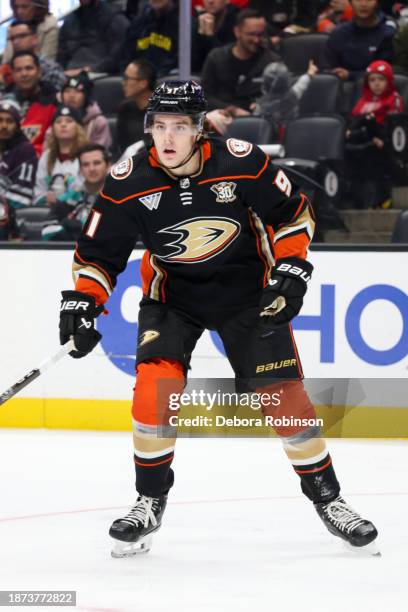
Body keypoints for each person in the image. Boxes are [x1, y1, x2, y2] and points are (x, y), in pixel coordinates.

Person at [58, 80, 378, 557]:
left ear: (200, 130)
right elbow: (98, 255)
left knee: (284, 399)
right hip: (173, 297)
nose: (167, 138)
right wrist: (83, 301)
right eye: (158, 126)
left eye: (179, 127)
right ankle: (149, 501)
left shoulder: (241, 160)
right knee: (153, 389)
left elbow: (293, 215)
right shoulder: (128, 179)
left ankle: (330, 501)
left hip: (247, 295)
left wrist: (292, 266)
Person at [345, 59, 403, 207]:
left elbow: (395, 126)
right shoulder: (363, 101)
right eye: (372, 80)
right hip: (364, 142)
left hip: (384, 144)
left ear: (389, 81)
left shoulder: (394, 99)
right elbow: (354, 121)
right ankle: (354, 197)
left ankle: (380, 199)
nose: (376, 83)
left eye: (381, 79)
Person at [201, 9, 280, 114]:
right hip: (221, 116)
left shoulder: (272, 62)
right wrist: (231, 110)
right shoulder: (216, 58)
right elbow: (204, 96)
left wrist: (264, 105)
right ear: (237, 32)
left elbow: (280, 96)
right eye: (251, 34)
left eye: (260, 35)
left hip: (258, 119)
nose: (256, 40)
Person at [42, 143, 110, 240]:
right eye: (86, 165)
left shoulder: (119, 198)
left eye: (97, 163)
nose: (91, 169)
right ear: (80, 170)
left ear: (107, 166)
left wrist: (80, 228)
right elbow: (46, 232)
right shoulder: (68, 198)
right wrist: (66, 228)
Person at [323, 0, 396, 80]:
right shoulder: (339, 33)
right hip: (340, 87)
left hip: (374, 88)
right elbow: (326, 69)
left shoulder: (387, 35)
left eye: (369, 0)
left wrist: (351, 75)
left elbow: (385, 72)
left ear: (377, 3)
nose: (363, 4)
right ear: (350, 2)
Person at [5, 50, 57, 157]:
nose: (24, 74)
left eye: (29, 68)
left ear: (39, 72)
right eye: (18, 70)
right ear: (13, 74)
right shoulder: (3, 102)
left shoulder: (55, 102)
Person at [33, 105, 87, 206]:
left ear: (78, 127)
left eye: (69, 121)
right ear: (52, 129)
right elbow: (38, 189)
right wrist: (45, 198)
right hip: (49, 211)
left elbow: (86, 188)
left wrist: (61, 200)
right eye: (58, 122)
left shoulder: (86, 154)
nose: (63, 125)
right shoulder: (47, 156)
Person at [57, 0, 129, 75]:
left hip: (100, 74)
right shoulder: (70, 20)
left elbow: (117, 56)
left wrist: (91, 70)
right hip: (70, 72)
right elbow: (62, 55)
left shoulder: (114, 18)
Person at [0, 97, 37, 239]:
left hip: (9, 218)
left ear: (17, 125)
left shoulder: (25, 149)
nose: (4, 126)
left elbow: (22, 198)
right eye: (0, 120)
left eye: (9, 121)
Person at [253, 59, 318, 140]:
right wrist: (310, 72)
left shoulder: (260, 105)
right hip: (292, 137)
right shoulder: (293, 96)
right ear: (287, 82)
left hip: (271, 139)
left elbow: (255, 125)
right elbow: (303, 82)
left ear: (264, 84)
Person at [118, 0, 179, 77]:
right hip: (137, 80)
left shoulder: (184, 26)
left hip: (166, 83)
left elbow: (179, 63)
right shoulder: (138, 24)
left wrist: (152, 78)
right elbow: (125, 58)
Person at [3, 20, 66, 91]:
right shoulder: (6, 70)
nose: (16, 42)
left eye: (21, 36)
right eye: (12, 38)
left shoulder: (51, 69)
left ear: (35, 38)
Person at [61, 72, 112, 149]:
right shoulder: (57, 120)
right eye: (67, 91)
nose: (71, 95)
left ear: (86, 95)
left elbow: (100, 151)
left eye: (77, 91)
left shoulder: (98, 122)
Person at [117, 59, 156, 155]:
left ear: (143, 83)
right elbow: (120, 146)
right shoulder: (125, 109)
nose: (123, 83)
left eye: (127, 78)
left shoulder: (161, 110)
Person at [193, 0, 240, 71]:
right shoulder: (198, 20)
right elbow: (190, 63)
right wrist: (199, 35)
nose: (210, 1)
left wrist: (209, 37)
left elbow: (228, 63)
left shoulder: (237, 22)